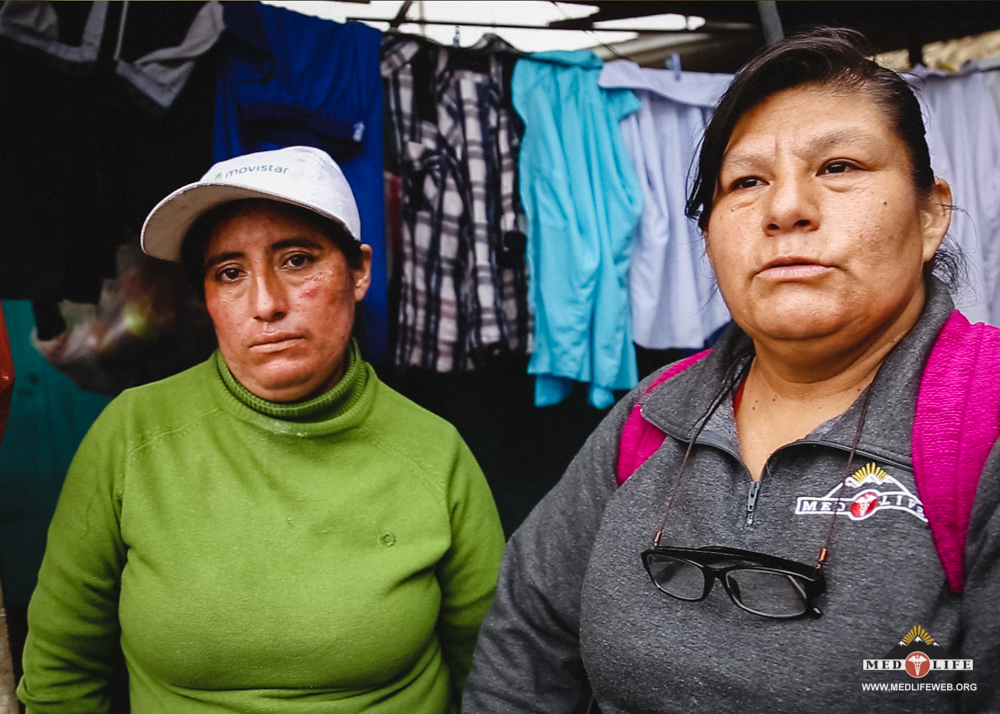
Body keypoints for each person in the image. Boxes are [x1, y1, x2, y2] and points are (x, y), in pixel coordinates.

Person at [463, 29, 1000, 713]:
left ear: (931, 215)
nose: (784, 209)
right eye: (746, 181)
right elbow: (528, 636)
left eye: (838, 166)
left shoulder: (984, 421)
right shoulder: (652, 416)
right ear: (709, 234)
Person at [17, 145, 505, 714]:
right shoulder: (131, 435)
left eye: (297, 260)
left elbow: (496, 675)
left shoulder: (434, 452)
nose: (266, 303)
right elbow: (60, 671)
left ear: (359, 272)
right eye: (229, 273)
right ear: (207, 297)